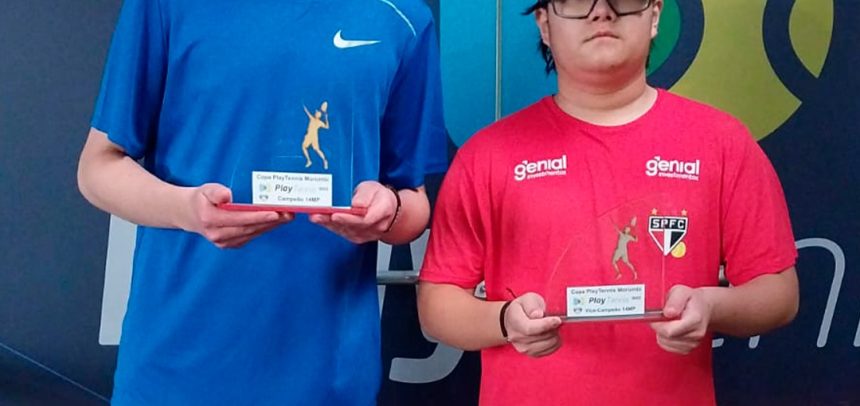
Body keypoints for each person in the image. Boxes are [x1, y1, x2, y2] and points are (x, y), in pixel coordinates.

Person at [417, 0, 799, 404]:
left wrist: (711, 305)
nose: (602, 12)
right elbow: (437, 304)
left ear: (654, 15)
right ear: (545, 24)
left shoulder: (721, 143)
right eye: (579, 2)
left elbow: (779, 293)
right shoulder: (488, 155)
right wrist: (503, 321)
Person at [77, 0, 446, 404]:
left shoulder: (403, 16)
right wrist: (186, 210)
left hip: (327, 374)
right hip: (177, 363)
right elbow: (97, 169)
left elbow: (413, 204)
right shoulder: (163, 5)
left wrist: (388, 211)